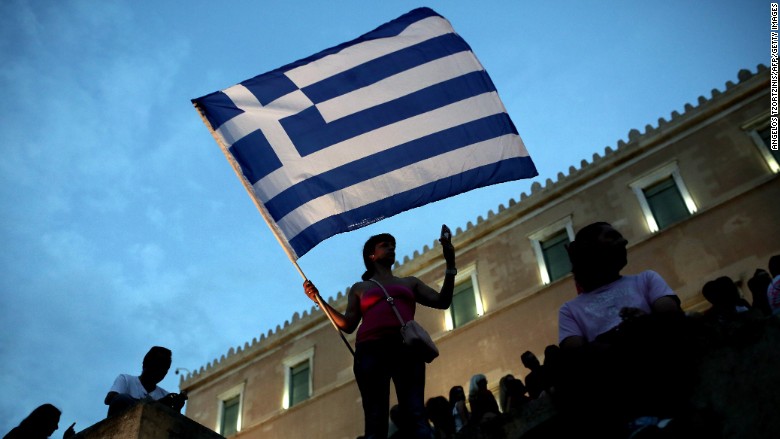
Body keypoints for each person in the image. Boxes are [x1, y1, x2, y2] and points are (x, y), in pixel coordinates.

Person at [303, 229, 456, 439]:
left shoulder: (409, 283)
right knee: (375, 419)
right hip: (371, 350)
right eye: (385, 245)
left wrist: (450, 264)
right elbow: (348, 324)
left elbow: (442, 301)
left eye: (393, 245)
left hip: (406, 347)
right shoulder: (360, 288)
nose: (391, 248)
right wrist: (319, 300)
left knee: (415, 413)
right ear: (371, 256)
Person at [558, 222, 683, 350]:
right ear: (590, 248)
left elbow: (670, 316)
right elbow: (575, 353)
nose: (624, 241)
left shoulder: (647, 279)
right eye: (613, 237)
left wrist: (646, 322)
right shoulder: (569, 310)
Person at [104, 346, 187, 417]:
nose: (160, 372)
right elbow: (111, 399)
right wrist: (157, 405)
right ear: (145, 364)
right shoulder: (126, 379)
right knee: (122, 398)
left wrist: (176, 408)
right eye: (157, 366)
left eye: (164, 369)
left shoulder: (165, 395)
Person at [4, 404, 75, 439]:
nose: (56, 427)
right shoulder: (18, 434)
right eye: (55, 422)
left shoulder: (17, 433)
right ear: (44, 421)